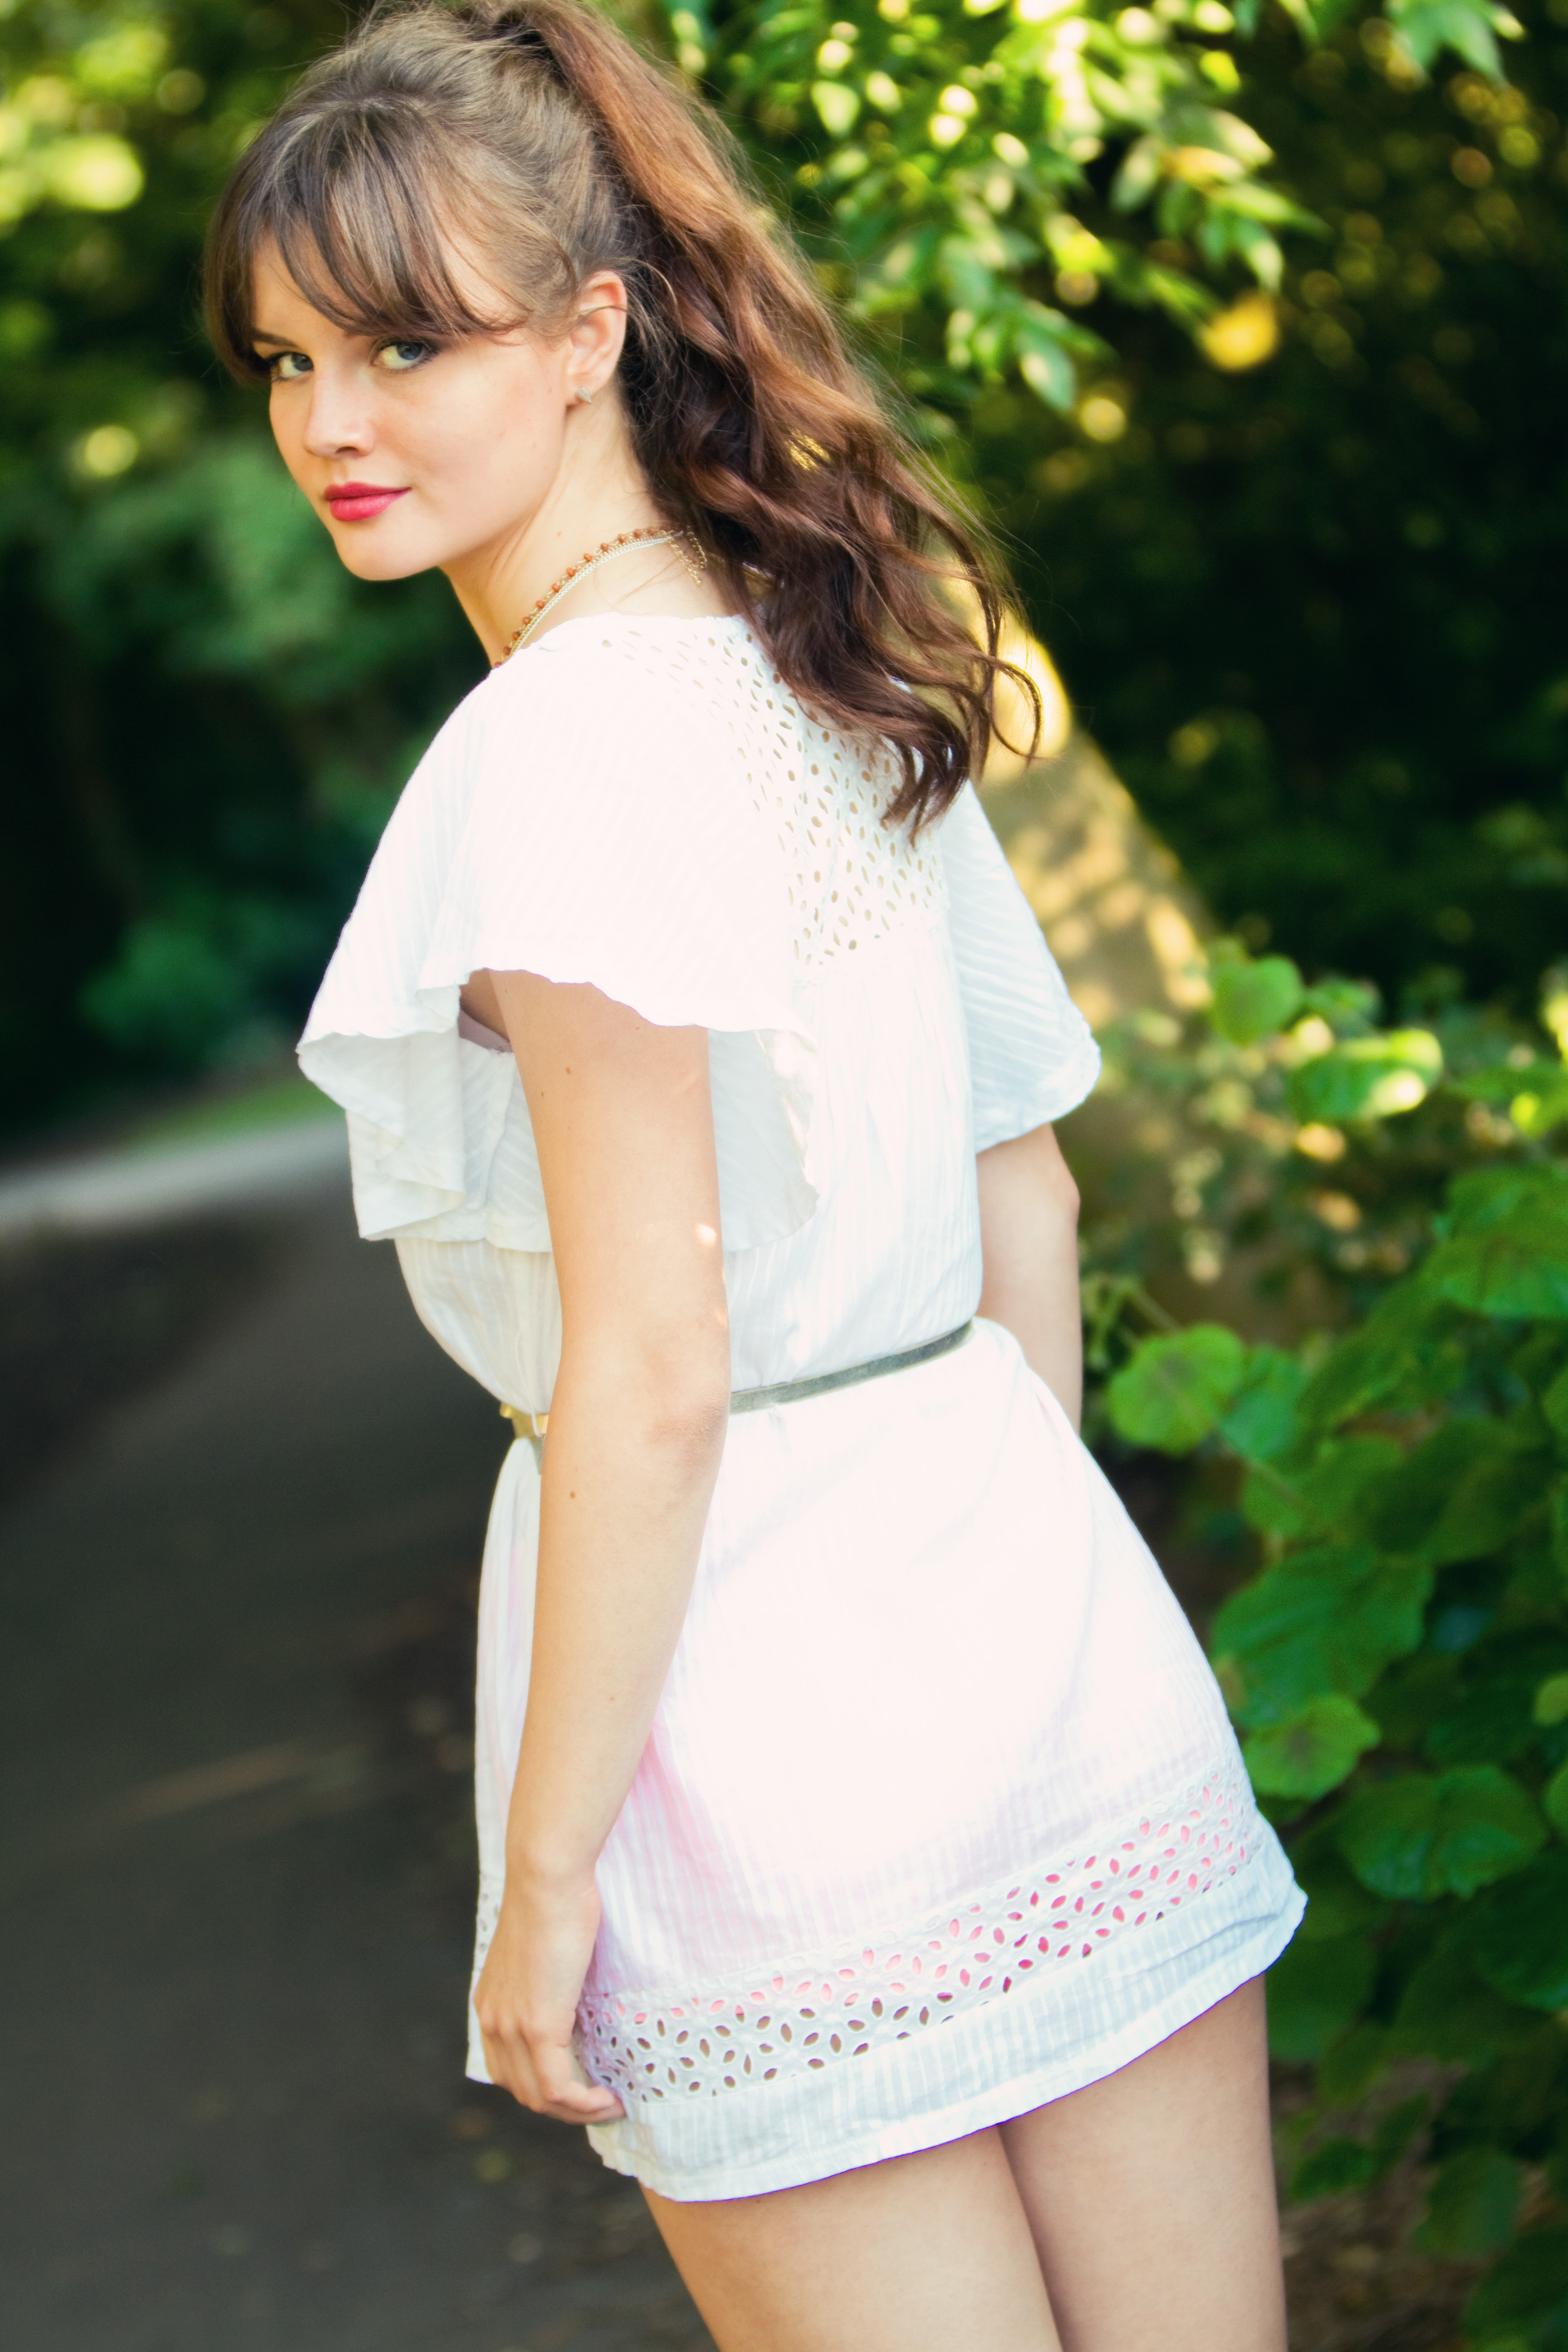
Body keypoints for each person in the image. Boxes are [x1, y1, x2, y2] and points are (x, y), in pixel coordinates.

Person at [205, 3, 1303, 2341]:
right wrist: (1005, 1604)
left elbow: (656, 1361)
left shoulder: (552, 756)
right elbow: (1029, 1194)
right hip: (1042, 1637)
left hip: (753, 1714)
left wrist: (543, 1875)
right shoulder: (833, 654)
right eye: (287, 360)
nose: (329, 424)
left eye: (405, 344)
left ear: (591, 331)